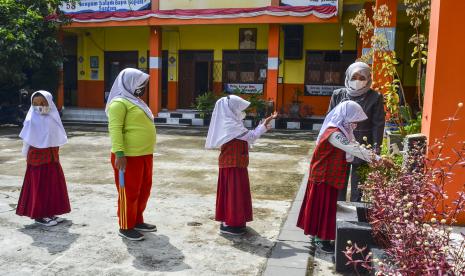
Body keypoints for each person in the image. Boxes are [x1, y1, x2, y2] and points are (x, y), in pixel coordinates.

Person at [297, 100, 380, 253]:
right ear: (346, 116)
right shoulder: (334, 133)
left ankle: (318, 234)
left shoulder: (343, 131)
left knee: (325, 207)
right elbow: (352, 149)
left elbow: (354, 145)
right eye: (354, 119)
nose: (355, 123)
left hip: (329, 174)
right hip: (323, 176)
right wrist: (378, 159)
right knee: (324, 207)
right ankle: (321, 240)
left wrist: (375, 157)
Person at [205, 95, 277, 235]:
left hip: (236, 164)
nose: (240, 112)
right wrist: (264, 125)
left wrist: (264, 124)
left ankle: (233, 221)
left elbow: (249, 136)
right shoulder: (230, 125)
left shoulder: (230, 122)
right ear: (231, 109)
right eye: (238, 108)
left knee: (234, 194)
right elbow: (250, 136)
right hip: (233, 165)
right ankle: (232, 223)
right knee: (234, 194)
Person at [106, 68, 156, 241]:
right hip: (127, 157)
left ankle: (137, 220)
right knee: (129, 192)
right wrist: (119, 154)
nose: (143, 87)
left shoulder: (136, 101)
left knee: (144, 190)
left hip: (145, 155)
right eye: (141, 84)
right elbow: (115, 129)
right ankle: (126, 226)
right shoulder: (119, 103)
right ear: (130, 83)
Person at [328, 61, 385, 202]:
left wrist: (375, 151)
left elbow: (378, 124)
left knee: (359, 187)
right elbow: (330, 121)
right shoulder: (338, 95)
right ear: (347, 77)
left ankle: (356, 215)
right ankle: (337, 211)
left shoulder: (375, 97)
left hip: (364, 145)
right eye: (354, 77)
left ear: (368, 79)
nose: (357, 81)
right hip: (340, 145)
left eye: (362, 78)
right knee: (338, 183)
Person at [16, 91, 70, 226]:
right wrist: (26, 157)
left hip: (52, 159)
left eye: (42, 103)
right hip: (37, 161)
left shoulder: (53, 118)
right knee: (39, 188)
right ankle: (40, 215)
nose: (39, 106)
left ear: (49, 103)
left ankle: (50, 212)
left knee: (52, 186)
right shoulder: (31, 119)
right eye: (35, 104)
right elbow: (27, 141)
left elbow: (56, 137)